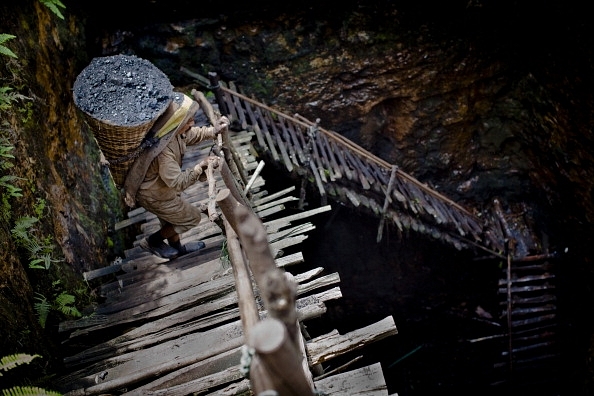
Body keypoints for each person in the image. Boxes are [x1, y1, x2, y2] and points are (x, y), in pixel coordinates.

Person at [134, 92, 229, 260]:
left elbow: (192, 134)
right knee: (190, 217)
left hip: (161, 187)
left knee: (169, 220)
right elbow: (178, 183)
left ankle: (177, 249)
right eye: (188, 121)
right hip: (153, 193)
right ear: (177, 124)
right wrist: (199, 168)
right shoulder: (163, 152)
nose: (192, 123)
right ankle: (152, 241)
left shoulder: (174, 133)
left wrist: (213, 130)